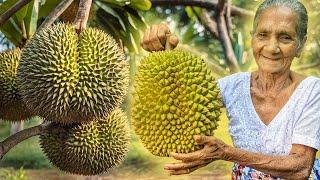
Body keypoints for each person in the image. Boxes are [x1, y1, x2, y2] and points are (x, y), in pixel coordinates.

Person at [140, 0, 320, 179]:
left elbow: (300, 168)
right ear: (252, 38)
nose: (272, 47)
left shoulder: (312, 90)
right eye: (263, 35)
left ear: (300, 45)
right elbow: (182, 96)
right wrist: (161, 42)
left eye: (285, 37)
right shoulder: (233, 86)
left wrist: (225, 152)